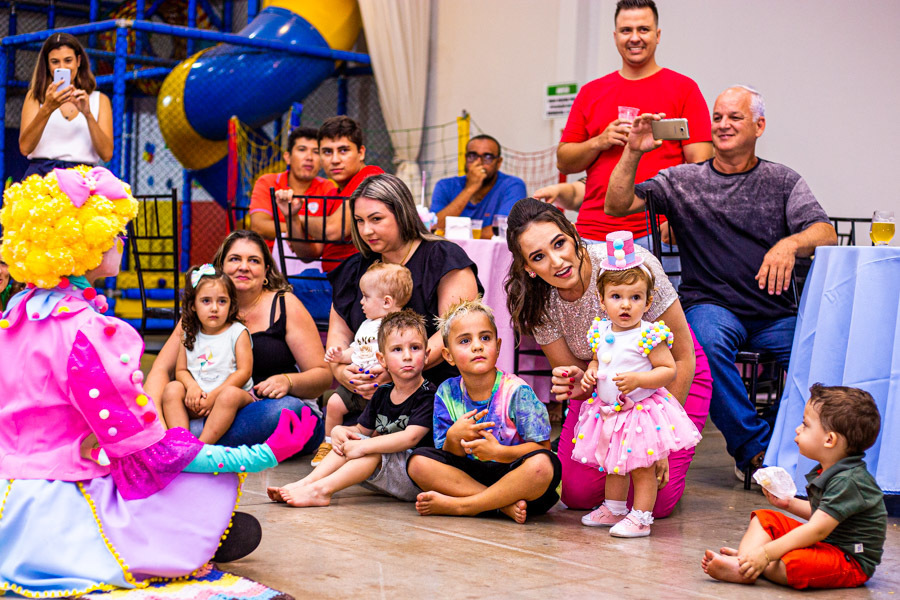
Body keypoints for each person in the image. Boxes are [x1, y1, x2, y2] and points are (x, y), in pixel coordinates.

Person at [0, 167, 319, 594]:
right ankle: (197, 532)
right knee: (190, 476)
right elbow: (152, 452)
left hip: (9, 492)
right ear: (86, 245)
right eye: (115, 232)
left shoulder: (17, 312)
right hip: (55, 509)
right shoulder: (87, 331)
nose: (122, 241)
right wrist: (262, 454)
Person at [605, 85, 838, 478]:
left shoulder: (782, 180)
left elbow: (825, 233)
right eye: (717, 117)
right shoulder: (681, 180)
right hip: (712, 306)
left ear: (759, 125)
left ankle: (812, 454)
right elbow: (616, 204)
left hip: (774, 311)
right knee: (704, 349)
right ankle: (756, 453)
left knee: (820, 357)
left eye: (735, 117)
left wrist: (790, 244)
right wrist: (633, 150)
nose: (723, 125)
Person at [504, 198, 712, 517]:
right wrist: (574, 383)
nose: (557, 261)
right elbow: (578, 376)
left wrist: (659, 441)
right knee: (577, 494)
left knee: (652, 501)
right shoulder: (540, 303)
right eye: (538, 257)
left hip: (666, 376)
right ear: (529, 268)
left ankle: (659, 474)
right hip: (606, 388)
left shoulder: (627, 264)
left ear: (574, 233)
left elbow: (683, 358)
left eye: (559, 243)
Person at [145, 230, 332, 448]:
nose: (244, 266)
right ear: (220, 268)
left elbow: (323, 377)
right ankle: (184, 440)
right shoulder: (201, 310)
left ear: (266, 272)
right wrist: (154, 423)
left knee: (286, 411)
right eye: (235, 259)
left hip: (264, 409)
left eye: (254, 260)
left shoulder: (284, 304)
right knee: (172, 392)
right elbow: (161, 370)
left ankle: (189, 442)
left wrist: (288, 381)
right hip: (209, 409)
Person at [572, 231, 700, 537]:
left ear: (648, 301)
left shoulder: (648, 334)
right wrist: (591, 372)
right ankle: (613, 508)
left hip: (641, 412)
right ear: (602, 301)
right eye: (617, 297)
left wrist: (640, 379)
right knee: (613, 464)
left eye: (635, 297)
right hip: (609, 411)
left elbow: (668, 370)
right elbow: (598, 359)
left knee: (642, 467)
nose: (625, 305)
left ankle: (641, 517)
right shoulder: (600, 331)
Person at [555, 0, 712, 249]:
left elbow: (701, 169)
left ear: (657, 35)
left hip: (656, 231)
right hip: (593, 231)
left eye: (643, 29)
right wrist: (599, 141)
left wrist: (678, 218)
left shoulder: (684, 89)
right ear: (615, 36)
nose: (635, 38)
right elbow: (564, 161)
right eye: (627, 30)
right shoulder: (591, 92)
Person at [702, 385, 886, 589]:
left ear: (829, 439)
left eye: (805, 425)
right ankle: (746, 563)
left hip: (849, 560)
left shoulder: (849, 480)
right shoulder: (830, 470)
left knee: (794, 563)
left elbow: (816, 530)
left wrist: (765, 553)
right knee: (765, 518)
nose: (798, 429)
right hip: (826, 544)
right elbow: (822, 514)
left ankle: (750, 563)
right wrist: (788, 504)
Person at [406, 299, 561, 524]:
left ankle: (465, 506)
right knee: (417, 462)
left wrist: (499, 453)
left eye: (485, 338)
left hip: (515, 479)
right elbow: (448, 455)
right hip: (471, 479)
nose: (477, 346)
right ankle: (500, 505)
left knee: (543, 465)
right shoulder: (446, 392)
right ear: (448, 356)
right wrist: (453, 438)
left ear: (498, 347)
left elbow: (543, 448)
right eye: (465, 341)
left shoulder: (517, 391)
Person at [327, 173, 482, 395]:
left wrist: (395, 371)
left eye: (376, 219)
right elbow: (339, 335)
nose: (366, 230)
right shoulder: (355, 268)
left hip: (433, 393)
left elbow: (454, 331)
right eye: (359, 221)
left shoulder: (443, 259)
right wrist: (344, 374)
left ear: (401, 214)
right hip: (368, 392)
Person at [268, 309, 436, 507]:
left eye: (415, 348)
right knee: (349, 442)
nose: (407, 356)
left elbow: (411, 437)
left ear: (426, 355)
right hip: (384, 470)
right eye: (397, 350)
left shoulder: (428, 393)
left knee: (371, 449)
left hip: (413, 476)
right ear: (381, 359)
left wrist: (363, 445)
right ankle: (306, 483)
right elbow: (361, 431)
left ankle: (321, 491)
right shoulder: (382, 392)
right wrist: (341, 432)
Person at [313, 261, 414, 465]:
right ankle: (328, 444)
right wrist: (340, 356)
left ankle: (367, 452)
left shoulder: (398, 327)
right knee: (333, 403)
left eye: (366, 297)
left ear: (387, 302)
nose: (361, 302)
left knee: (379, 424)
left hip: (384, 390)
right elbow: (358, 349)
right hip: (356, 385)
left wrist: (386, 369)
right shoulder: (367, 325)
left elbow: (405, 355)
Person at [161, 265, 255, 444]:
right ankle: (181, 443)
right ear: (193, 306)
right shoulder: (188, 333)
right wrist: (192, 387)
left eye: (222, 301)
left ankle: (202, 446)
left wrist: (215, 396)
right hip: (198, 398)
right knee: (172, 389)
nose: (214, 308)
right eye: (206, 301)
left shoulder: (237, 332)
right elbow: (181, 370)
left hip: (233, 397)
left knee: (229, 395)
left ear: (231, 304)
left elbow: (244, 372)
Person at [19, 33, 113, 179]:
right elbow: (25, 148)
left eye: (68, 60)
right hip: (42, 176)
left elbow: (106, 154)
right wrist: (48, 108)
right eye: (55, 62)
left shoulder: (99, 99)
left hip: (83, 178)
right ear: (47, 65)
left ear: (79, 61)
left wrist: (87, 114)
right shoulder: (35, 96)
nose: (62, 67)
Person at [249, 126, 336, 252]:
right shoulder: (268, 182)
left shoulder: (329, 187)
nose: (309, 157)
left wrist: (295, 232)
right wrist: (300, 232)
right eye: (302, 150)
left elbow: (330, 230)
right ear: (287, 157)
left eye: (316, 152)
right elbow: (259, 226)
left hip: (313, 257)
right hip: (269, 260)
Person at [430, 134, 526, 239]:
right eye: (472, 156)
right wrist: (470, 189)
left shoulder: (512, 185)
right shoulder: (445, 186)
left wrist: (455, 233)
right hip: (449, 253)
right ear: (465, 159)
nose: (478, 162)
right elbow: (434, 227)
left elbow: (505, 229)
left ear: (498, 162)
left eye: (487, 157)